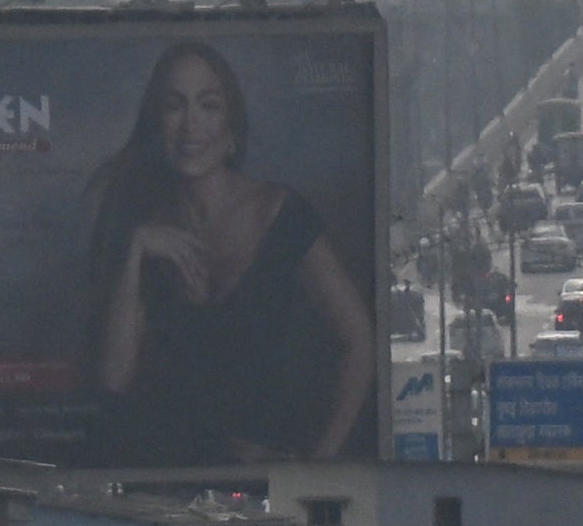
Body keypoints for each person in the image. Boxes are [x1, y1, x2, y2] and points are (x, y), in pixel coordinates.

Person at [85, 42, 376, 463]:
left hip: (267, 486)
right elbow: (112, 381)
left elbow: (359, 341)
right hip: (163, 481)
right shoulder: (143, 229)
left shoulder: (279, 214)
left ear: (231, 130)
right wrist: (134, 252)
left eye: (208, 105)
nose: (191, 126)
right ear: (156, 125)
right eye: (174, 106)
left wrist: (317, 466)